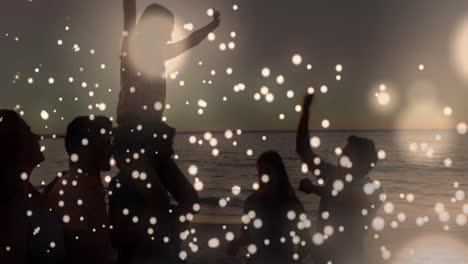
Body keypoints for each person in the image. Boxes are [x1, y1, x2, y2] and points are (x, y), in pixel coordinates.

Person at [296, 94, 384, 264]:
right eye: (343, 152)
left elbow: (345, 197)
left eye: (348, 155)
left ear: (362, 164)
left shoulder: (373, 189)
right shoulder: (331, 173)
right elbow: (303, 150)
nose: (341, 157)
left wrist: (314, 188)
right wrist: (305, 111)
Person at [117, 0, 221, 125]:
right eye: (168, 30)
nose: (170, 37)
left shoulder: (159, 52)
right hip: (131, 130)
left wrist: (212, 26)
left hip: (151, 128)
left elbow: (191, 41)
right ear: (155, 27)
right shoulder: (132, 46)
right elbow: (129, 14)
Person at [44, 116, 113, 264]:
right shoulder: (75, 193)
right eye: (105, 143)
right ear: (84, 147)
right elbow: (82, 254)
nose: (111, 149)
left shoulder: (85, 184)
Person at [0, 110, 65, 264]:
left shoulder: (26, 191)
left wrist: (48, 193)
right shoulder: (8, 209)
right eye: (29, 133)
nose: (38, 137)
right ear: (14, 145)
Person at [227, 151, 312, 264]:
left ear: (279, 173)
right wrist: (236, 244)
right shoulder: (251, 202)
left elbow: (306, 240)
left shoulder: (292, 204)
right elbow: (246, 236)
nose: (264, 176)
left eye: (269, 171)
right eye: (261, 171)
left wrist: (295, 259)